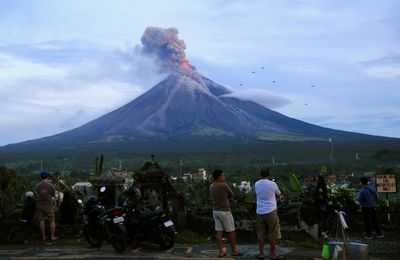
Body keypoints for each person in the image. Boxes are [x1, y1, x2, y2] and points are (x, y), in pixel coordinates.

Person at [209, 169, 242, 257]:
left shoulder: (211, 186)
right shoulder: (224, 185)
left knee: (219, 231)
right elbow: (232, 195)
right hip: (225, 211)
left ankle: (221, 252)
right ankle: (234, 250)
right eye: (223, 175)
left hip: (215, 211)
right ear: (219, 177)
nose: (224, 177)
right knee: (231, 231)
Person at [254, 167, 284, 260]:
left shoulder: (256, 184)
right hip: (271, 211)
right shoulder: (273, 184)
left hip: (260, 211)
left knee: (261, 233)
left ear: (260, 174)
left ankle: (261, 254)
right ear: (269, 174)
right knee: (272, 232)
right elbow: (279, 194)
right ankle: (273, 254)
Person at [36, 171, 58, 243]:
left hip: (40, 205)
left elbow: (37, 194)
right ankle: (52, 236)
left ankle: (43, 236)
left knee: (41, 221)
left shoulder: (38, 186)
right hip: (49, 205)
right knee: (52, 221)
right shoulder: (51, 186)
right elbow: (53, 195)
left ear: (41, 177)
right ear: (47, 177)